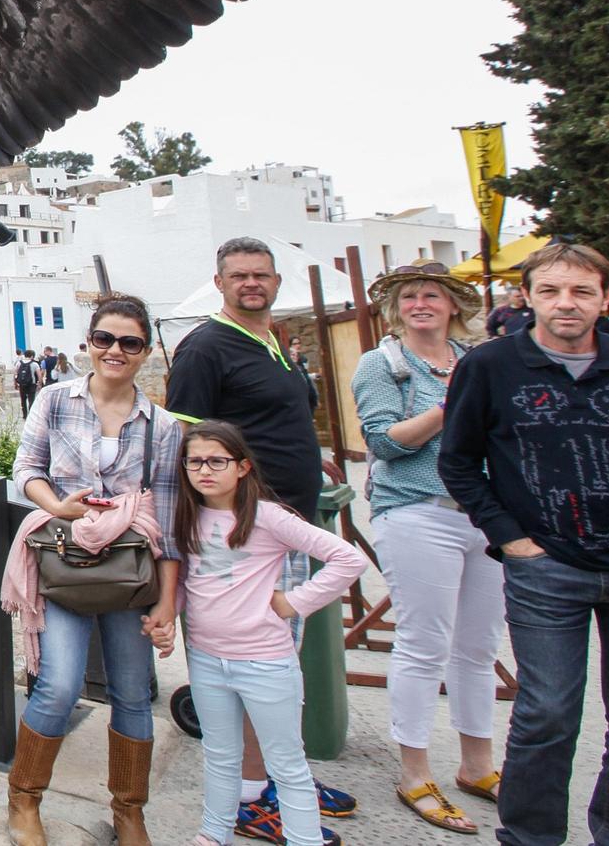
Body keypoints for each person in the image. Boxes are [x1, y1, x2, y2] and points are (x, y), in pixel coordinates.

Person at [439, 240, 609, 846]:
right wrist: (511, 539)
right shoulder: (491, 365)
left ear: (606, 297)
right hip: (547, 567)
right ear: (525, 297)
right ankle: (530, 838)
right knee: (547, 713)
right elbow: (458, 462)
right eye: (550, 291)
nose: (566, 304)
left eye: (582, 291)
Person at [166, 236, 353, 840]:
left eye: (262, 275)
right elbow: (187, 442)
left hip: (287, 521)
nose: (253, 283)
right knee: (256, 669)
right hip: (249, 537)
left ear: (276, 282)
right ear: (219, 282)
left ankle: (274, 774)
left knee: (277, 670)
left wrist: (311, 459)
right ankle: (251, 794)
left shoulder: (272, 341)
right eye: (240, 275)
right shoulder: (205, 348)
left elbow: (276, 419)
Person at [5, 295, 184, 846]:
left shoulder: (164, 426)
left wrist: (167, 604)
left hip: (132, 573)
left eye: (129, 342)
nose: (115, 351)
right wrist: (57, 507)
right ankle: (25, 800)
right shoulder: (56, 400)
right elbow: (26, 470)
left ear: (145, 351)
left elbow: (173, 522)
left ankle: (130, 811)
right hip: (66, 562)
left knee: (131, 692)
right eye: (104, 339)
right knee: (58, 685)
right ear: (88, 342)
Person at [164, 423, 367, 846]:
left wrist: (297, 602)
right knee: (220, 756)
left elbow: (347, 559)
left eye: (217, 461)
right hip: (206, 658)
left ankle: (304, 839)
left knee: (287, 763)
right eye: (195, 462)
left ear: (242, 467)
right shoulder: (188, 516)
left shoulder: (268, 517)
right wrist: (166, 616)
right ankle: (213, 834)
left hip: (264, 661)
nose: (205, 471)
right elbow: (190, 581)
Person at [351, 263, 500, 834]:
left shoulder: (476, 360)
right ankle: (415, 771)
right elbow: (384, 443)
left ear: (452, 304)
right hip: (417, 511)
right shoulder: (384, 364)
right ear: (395, 308)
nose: (420, 304)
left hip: (483, 514)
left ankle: (477, 764)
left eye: (431, 295)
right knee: (423, 642)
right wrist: (450, 406)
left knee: (478, 646)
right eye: (408, 296)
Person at [16, 350, 41, 417]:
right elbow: (39, 375)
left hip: (22, 384)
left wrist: (15, 383)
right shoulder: (35, 364)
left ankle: (24, 414)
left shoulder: (19, 363)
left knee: (23, 400)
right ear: (32, 356)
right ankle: (31, 414)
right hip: (31, 384)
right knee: (31, 399)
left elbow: (15, 374)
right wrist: (39, 383)